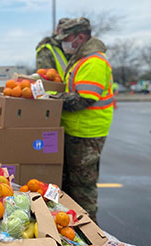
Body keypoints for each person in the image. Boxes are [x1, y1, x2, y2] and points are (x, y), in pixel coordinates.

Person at [54, 17, 114, 223]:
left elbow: (84, 98)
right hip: (77, 129)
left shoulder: (93, 61)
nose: (63, 42)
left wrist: (51, 100)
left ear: (80, 37)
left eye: (66, 38)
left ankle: (92, 236)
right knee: (72, 185)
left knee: (82, 188)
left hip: (87, 132)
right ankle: (78, 231)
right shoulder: (81, 58)